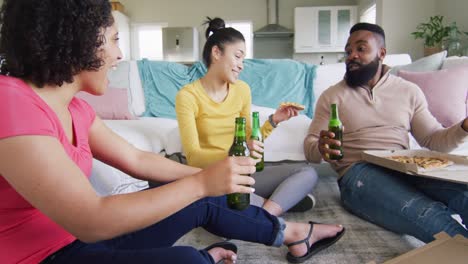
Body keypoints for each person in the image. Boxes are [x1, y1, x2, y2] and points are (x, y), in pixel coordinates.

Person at [0, 1, 344, 264]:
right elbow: (92, 220)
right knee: (188, 258)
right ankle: (206, 257)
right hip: (47, 255)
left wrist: (209, 182)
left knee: (204, 197)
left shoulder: (77, 108)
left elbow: (136, 159)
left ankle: (292, 234)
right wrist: (201, 182)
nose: (120, 54)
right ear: (77, 39)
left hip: (82, 242)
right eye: (115, 39)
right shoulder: (10, 102)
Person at [304, 22, 468, 243]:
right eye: (348, 51)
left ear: (381, 53)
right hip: (358, 173)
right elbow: (311, 146)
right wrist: (321, 148)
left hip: (405, 167)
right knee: (429, 214)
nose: (352, 55)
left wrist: (464, 127)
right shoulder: (332, 96)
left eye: (361, 49)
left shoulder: (408, 91)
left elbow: (433, 140)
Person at [175, 17, 318, 216]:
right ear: (216, 53)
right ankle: (278, 202)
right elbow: (193, 156)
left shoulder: (242, 90)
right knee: (228, 207)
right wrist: (235, 154)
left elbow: (251, 139)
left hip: (244, 171)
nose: (242, 65)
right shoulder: (188, 96)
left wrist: (274, 120)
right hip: (212, 175)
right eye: (238, 56)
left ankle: (265, 213)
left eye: (243, 59)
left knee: (307, 172)